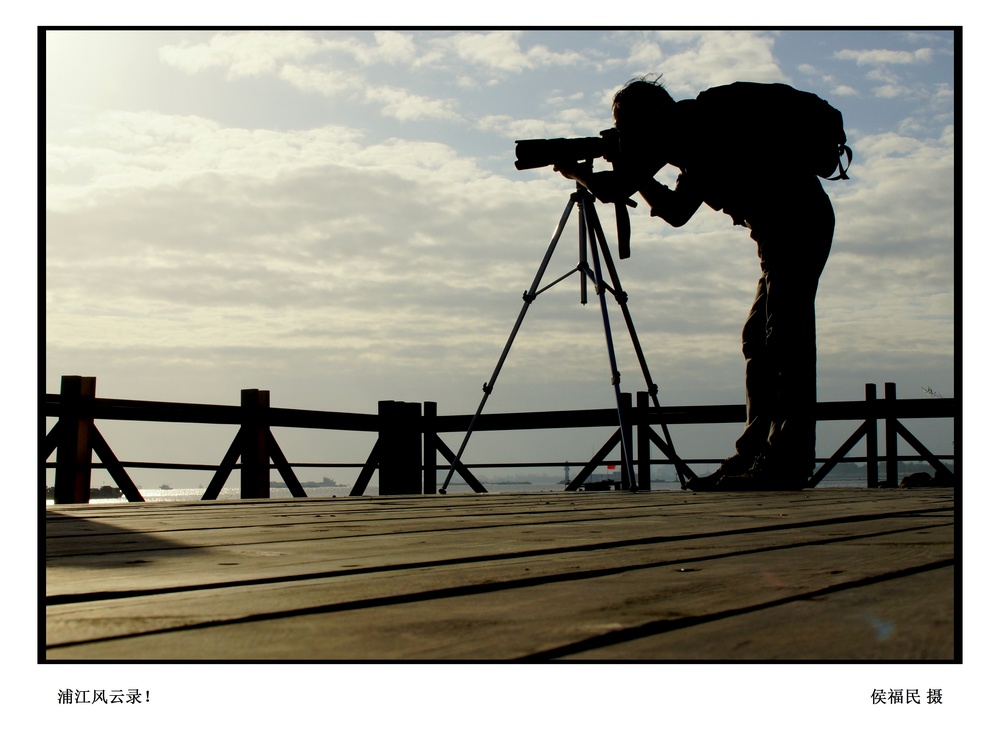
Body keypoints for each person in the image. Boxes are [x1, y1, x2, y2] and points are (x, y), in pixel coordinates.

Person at [556, 76, 836, 491]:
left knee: (785, 340)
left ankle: (785, 462)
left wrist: (582, 175)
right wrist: (616, 171)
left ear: (649, 118)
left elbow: (674, 210)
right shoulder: (682, 137)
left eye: (626, 125)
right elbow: (663, 201)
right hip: (784, 232)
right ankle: (755, 454)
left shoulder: (703, 132)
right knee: (759, 339)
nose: (624, 135)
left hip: (797, 226)